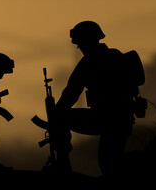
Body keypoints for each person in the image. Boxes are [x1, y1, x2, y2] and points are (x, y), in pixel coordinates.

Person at [54, 21, 137, 176]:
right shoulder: (116, 55)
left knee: (110, 165)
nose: (78, 47)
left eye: (80, 43)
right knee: (110, 164)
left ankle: (63, 166)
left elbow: (71, 93)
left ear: (86, 41)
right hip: (122, 119)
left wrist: (55, 113)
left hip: (106, 119)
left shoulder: (88, 62)